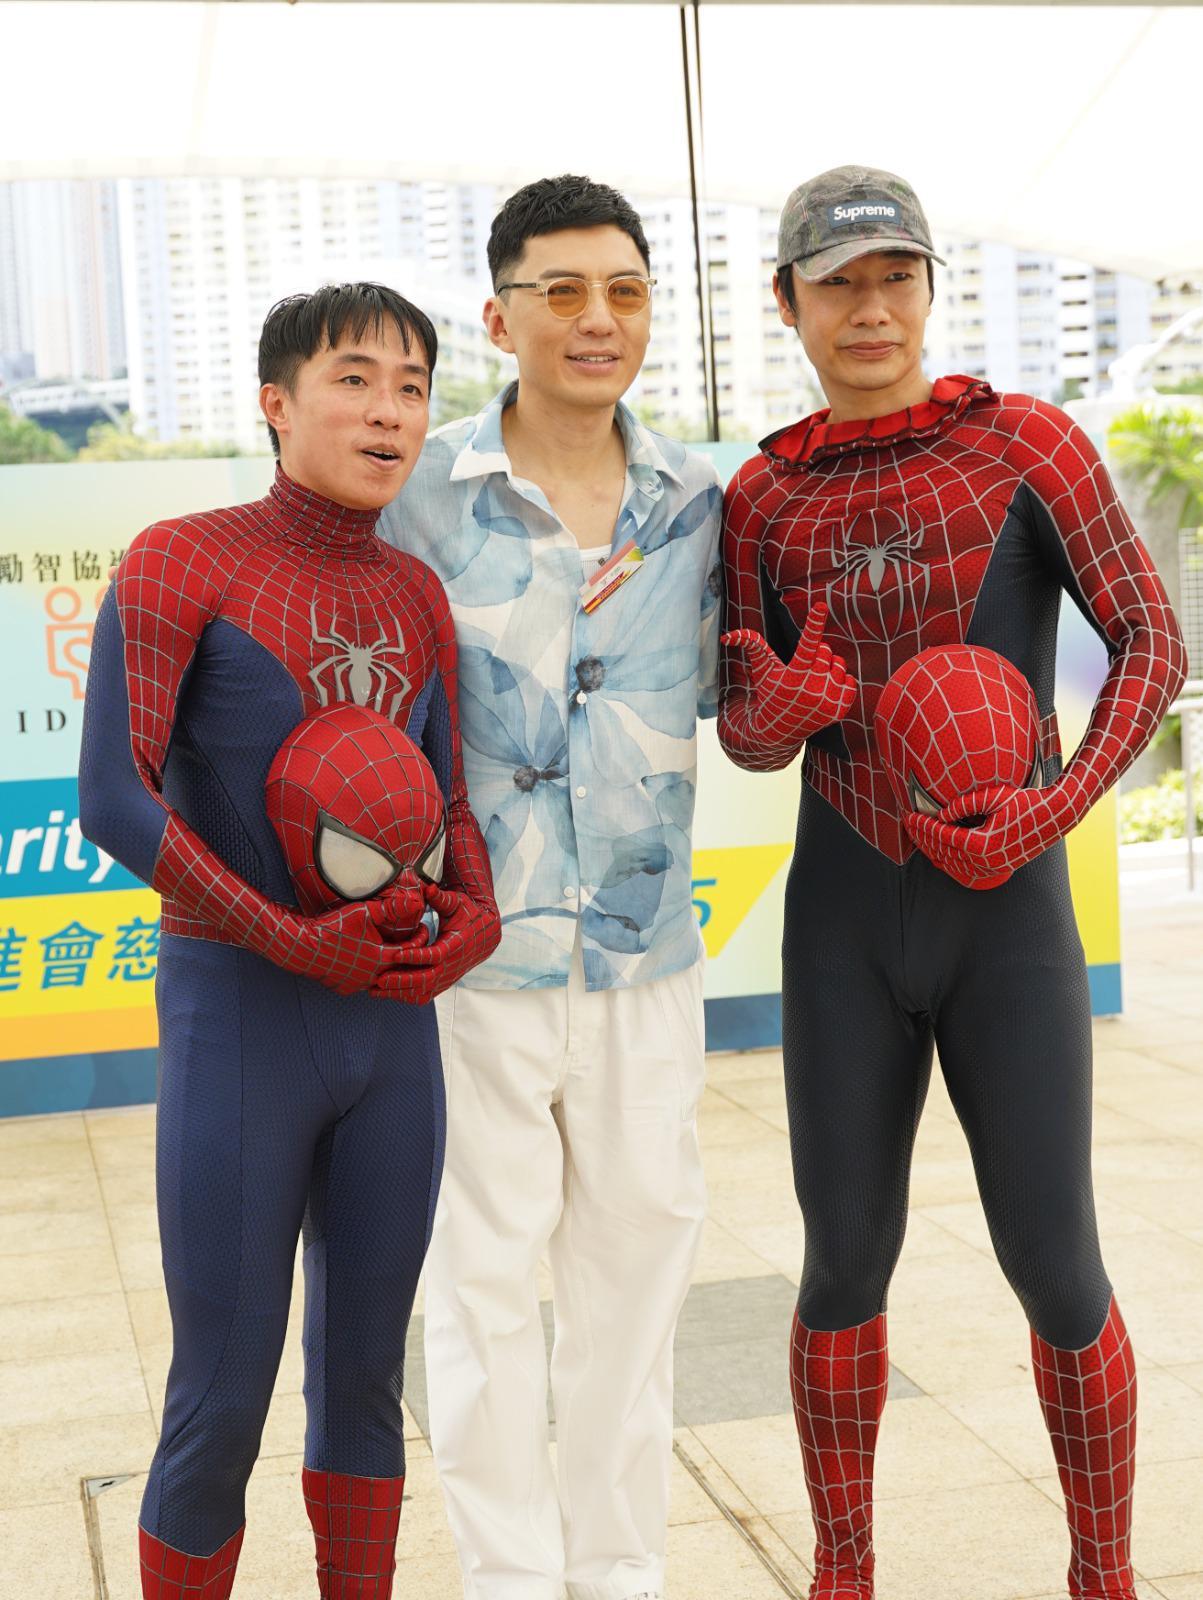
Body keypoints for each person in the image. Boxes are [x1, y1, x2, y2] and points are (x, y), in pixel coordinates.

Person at [719, 166, 1186, 1600]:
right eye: (838, 283)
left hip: (1010, 920)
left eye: (895, 277)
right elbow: (743, 726)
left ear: (929, 286)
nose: (870, 308)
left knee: (1056, 1262)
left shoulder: (1027, 444)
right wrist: (781, 715)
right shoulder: (763, 497)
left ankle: (1104, 1576)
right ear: (787, 301)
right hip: (844, 920)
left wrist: (1050, 809)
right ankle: (843, 1573)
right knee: (841, 1262)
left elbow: (1153, 642)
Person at [78, 282, 500, 1600]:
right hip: (242, 1028)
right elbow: (114, 801)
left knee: (369, 1387)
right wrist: (285, 940)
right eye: (355, 379)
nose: (390, 412)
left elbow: (449, 807)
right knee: (221, 1398)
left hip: (393, 1041)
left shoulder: (416, 594)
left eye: (413, 387)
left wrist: (477, 917)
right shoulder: (182, 560)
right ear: (277, 402)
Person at [377, 174, 722, 1600]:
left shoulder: (699, 500)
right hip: (476, 962)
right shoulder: (417, 498)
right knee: (479, 1292)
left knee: (635, 1292)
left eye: (626, 292)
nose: (599, 320)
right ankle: (510, 1578)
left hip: (647, 955)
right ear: (497, 314)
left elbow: (745, 695)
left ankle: (621, 1569)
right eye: (563, 291)